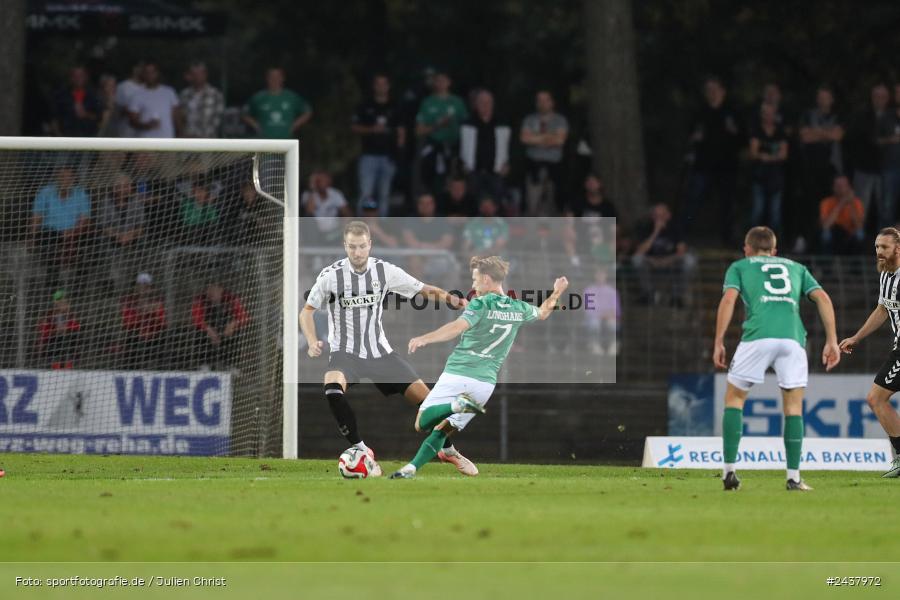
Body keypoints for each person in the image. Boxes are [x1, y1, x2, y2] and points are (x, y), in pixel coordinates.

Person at [300, 220, 476, 477]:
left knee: (428, 405)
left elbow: (423, 290)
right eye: (352, 247)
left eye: (362, 246)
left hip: (380, 353)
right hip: (344, 353)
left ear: (370, 245)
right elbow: (306, 312)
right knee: (332, 390)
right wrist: (311, 340)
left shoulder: (384, 271)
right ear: (345, 246)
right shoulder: (330, 276)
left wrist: (452, 299)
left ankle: (447, 449)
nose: (357, 252)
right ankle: (361, 450)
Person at [390, 256, 568, 479]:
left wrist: (426, 338)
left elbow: (457, 327)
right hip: (484, 384)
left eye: (475, 280)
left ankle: (455, 405)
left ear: (486, 279)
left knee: (422, 422)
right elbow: (543, 313)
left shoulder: (480, 304)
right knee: (444, 429)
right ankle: (411, 468)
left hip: (459, 372)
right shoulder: (518, 307)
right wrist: (557, 291)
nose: (472, 285)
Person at [713, 226, 840, 491]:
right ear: (774, 251)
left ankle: (729, 473)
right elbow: (824, 299)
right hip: (793, 339)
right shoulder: (796, 267)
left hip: (758, 336)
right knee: (793, 408)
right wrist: (832, 341)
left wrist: (719, 341)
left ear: (747, 249)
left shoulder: (740, 266)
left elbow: (728, 301)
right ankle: (793, 477)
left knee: (734, 399)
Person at [838, 227, 900, 478]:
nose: (879, 252)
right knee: (876, 399)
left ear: (898, 248)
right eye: (876, 247)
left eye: (884, 247)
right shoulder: (887, 276)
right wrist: (856, 337)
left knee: (876, 398)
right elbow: (882, 311)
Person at [682, 77, 742, 243]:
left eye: (714, 89)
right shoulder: (700, 113)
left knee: (727, 204)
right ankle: (684, 235)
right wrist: (694, 138)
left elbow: (742, 138)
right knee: (693, 201)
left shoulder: (731, 112)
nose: (711, 93)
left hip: (726, 166)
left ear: (722, 91)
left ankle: (728, 239)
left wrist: (734, 133)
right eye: (708, 90)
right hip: (703, 165)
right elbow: (690, 136)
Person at [351, 73, 404, 216]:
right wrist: (372, 129)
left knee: (384, 195)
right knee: (366, 193)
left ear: (388, 86)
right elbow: (354, 127)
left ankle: (382, 231)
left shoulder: (395, 105)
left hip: (388, 156)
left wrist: (399, 149)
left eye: (384, 84)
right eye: (378, 84)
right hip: (369, 156)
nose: (381, 87)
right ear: (374, 86)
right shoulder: (365, 105)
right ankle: (361, 229)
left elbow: (400, 130)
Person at [30, 165, 92, 288]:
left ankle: (78, 293)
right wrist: (31, 237)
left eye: (69, 177)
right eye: (62, 176)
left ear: (74, 178)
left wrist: (72, 233)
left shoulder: (81, 194)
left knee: (89, 248)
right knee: (52, 253)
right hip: (50, 233)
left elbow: (85, 221)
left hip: (74, 233)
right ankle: (56, 294)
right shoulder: (45, 192)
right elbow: (36, 217)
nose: (65, 180)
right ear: (56, 178)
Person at [631, 203, 695, 307]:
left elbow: (681, 250)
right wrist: (655, 232)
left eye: (662, 215)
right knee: (637, 259)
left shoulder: (675, 227)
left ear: (668, 215)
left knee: (689, 260)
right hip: (652, 261)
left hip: (671, 261)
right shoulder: (646, 227)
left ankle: (677, 296)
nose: (659, 218)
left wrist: (667, 261)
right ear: (652, 216)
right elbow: (639, 252)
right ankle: (648, 294)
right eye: (656, 215)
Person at [416, 71, 468, 193]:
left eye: (444, 80)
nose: (441, 84)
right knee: (433, 180)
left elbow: (466, 126)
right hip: (434, 147)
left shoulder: (457, 102)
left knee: (454, 180)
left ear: (449, 82)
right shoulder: (428, 102)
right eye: (438, 81)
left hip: (454, 147)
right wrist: (437, 125)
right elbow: (419, 130)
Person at [459, 89, 511, 207]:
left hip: (496, 171)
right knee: (473, 204)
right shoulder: (467, 123)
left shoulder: (502, 122)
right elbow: (459, 146)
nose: (485, 105)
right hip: (473, 172)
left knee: (496, 204)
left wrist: (508, 164)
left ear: (493, 104)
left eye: (488, 102)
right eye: (481, 102)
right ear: (476, 104)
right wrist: (463, 165)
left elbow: (510, 146)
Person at [520, 90, 569, 215]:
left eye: (545, 100)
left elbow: (560, 141)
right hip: (533, 166)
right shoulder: (529, 119)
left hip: (555, 168)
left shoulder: (560, 120)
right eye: (539, 100)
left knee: (553, 205)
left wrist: (535, 138)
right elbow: (524, 138)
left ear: (552, 102)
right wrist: (549, 137)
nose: (542, 103)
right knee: (532, 204)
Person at [749, 102, 788, 235]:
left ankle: (774, 244)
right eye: (765, 113)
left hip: (776, 178)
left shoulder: (780, 131)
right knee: (757, 211)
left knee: (775, 213)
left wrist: (767, 157)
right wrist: (770, 156)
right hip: (759, 176)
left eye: (771, 113)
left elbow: (784, 154)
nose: (768, 116)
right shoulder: (757, 130)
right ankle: (752, 243)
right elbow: (753, 153)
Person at [191, 281, 250, 369]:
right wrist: (208, 329)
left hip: (226, 330)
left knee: (236, 333)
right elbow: (196, 318)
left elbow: (244, 317)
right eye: (208, 289)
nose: (210, 292)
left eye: (213, 289)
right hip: (208, 331)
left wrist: (233, 324)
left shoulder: (230, 298)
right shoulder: (201, 300)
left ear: (221, 289)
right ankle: (204, 364)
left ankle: (231, 365)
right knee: (198, 333)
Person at [242, 67, 312, 139]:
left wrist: (294, 126)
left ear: (282, 78)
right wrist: (256, 126)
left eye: (277, 76)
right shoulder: (258, 97)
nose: (274, 79)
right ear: (267, 78)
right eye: (271, 76)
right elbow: (244, 113)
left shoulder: (291, 97)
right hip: (264, 140)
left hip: (286, 140)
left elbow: (307, 112)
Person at [120, 273, 167, 369]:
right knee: (132, 339)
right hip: (135, 337)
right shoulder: (129, 301)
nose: (143, 289)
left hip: (154, 337)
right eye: (141, 285)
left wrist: (150, 313)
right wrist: (142, 312)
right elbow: (127, 322)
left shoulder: (157, 300)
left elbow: (163, 322)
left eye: (146, 286)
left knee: (162, 339)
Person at [127, 62, 179, 138]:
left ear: (157, 73)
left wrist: (180, 134)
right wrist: (146, 125)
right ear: (143, 74)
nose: (150, 75)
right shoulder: (137, 95)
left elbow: (177, 117)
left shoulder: (169, 92)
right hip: (146, 143)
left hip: (167, 142)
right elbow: (132, 121)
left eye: (152, 72)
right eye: (147, 72)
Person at [36, 289, 81, 369]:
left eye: (66, 302)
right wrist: (55, 331)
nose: (66, 305)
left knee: (68, 343)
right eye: (62, 303)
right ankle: (57, 369)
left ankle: (67, 368)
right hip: (51, 346)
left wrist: (66, 329)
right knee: (57, 344)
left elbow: (77, 327)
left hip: (67, 345)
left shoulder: (70, 315)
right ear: (56, 304)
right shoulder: (48, 316)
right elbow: (43, 332)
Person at [819, 175, 865, 254]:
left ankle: (855, 264)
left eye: (843, 186)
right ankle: (828, 262)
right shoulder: (826, 202)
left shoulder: (857, 203)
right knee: (825, 235)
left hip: (850, 233)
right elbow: (826, 225)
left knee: (860, 235)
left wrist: (850, 204)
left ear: (849, 187)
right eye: (838, 186)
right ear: (833, 188)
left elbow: (859, 226)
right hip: (834, 232)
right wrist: (841, 203)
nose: (840, 188)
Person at [50, 66, 101, 137]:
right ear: (70, 78)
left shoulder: (93, 95)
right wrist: (59, 137)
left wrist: (86, 114)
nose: (78, 78)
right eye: (75, 76)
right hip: (67, 137)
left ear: (85, 77)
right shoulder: (61, 96)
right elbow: (54, 119)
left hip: (88, 137)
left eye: (81, 76)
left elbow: (99, 117)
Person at [178, 61, 225, 138]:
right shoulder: (184, 94)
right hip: (187, 142)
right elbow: (180, 118)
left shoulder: (215, 94)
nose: (197, 77)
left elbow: (217, 121)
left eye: (199, 73)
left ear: (205, 74)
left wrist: (201, 137)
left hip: (207, 142)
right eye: (194, 74)